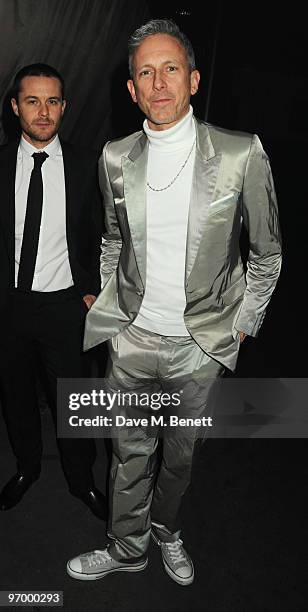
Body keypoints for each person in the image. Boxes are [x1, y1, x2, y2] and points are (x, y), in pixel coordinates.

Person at [67, 19, 282, 584]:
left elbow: (267, 253)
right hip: (132, 341)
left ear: (192, 79)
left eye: (170, 69)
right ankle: (126, 547)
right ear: (132, 89)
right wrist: (110, 315)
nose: (158, 83)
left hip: (200, 348)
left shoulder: (240, 154)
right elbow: (113, 241)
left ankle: (166, 530)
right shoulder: (114, 158)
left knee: (181, 457)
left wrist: (241, 326)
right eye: (145, 72)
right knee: (127, 453)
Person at [0, 64, 107, 520]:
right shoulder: (0, 165)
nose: (43, 112)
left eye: (53, 101)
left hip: (66, 305)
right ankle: (26, 467)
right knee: (16, 394)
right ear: (15, 107)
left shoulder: (88, 165)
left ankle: (82, 479)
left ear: (63, 106)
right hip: (8, 306)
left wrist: (93, 290)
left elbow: (106, 235)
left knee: (75, 398)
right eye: (32, 101)